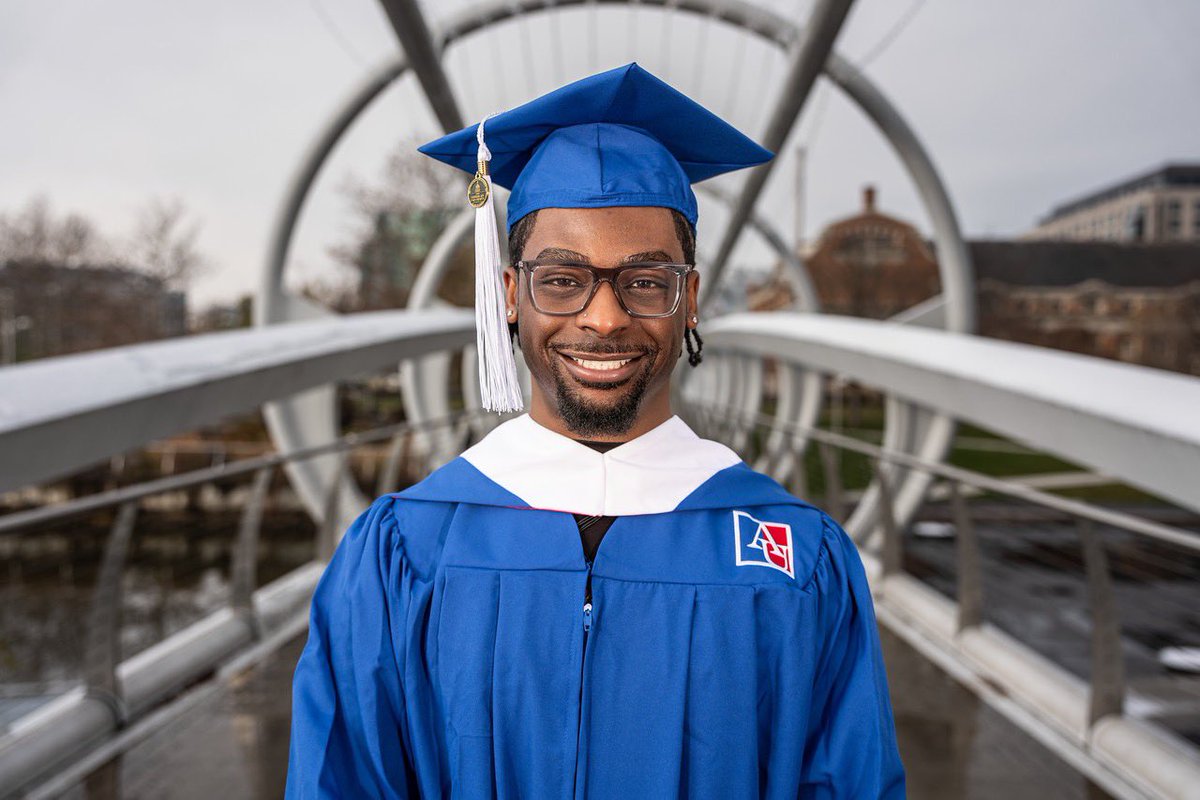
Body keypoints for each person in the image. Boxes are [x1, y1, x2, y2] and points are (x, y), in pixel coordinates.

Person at [285, 63, 905, 799]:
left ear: (691, 299)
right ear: (511, 295)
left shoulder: (800, 561)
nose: (604, 319)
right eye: (561, 279)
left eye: (646, 281)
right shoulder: (403, 551)